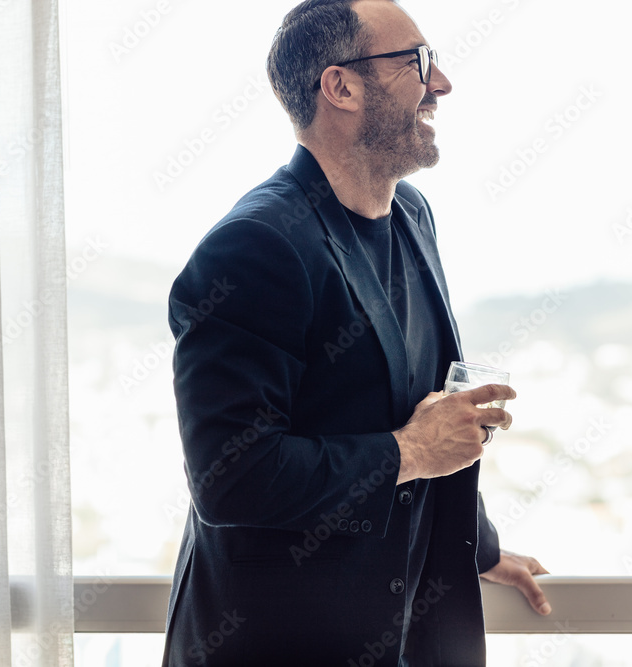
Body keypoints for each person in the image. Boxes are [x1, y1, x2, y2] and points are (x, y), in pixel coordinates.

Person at [162, 1, 550, 664]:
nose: (443, 83)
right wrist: (409, 452)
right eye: (419, 62)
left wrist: (477, 546)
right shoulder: (254, 247)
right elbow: (231, 477)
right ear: (339, 86)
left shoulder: (412, 217)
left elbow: (411, 409)